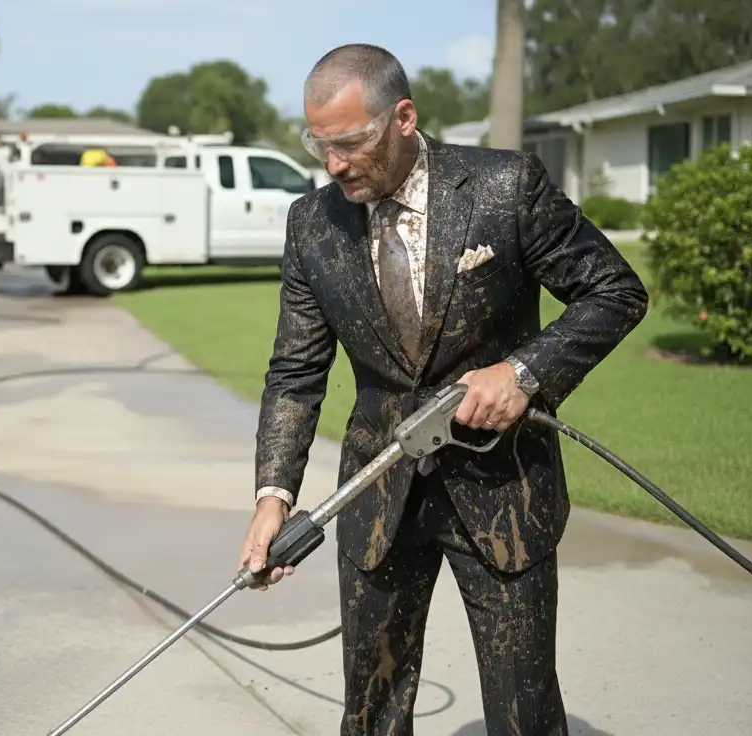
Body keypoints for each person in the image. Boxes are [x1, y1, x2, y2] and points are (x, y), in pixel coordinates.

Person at [240, 44, 649, 736]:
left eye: (350, 142)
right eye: (319, 145)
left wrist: (523, 373)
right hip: (378, 500)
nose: (334, 164)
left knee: (524, 714)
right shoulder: (312, 223)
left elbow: (614, 290)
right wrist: (273, 496)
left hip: (504, 498)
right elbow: (296, 370)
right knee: (371, 712)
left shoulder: (504, 187)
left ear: (403, 118)